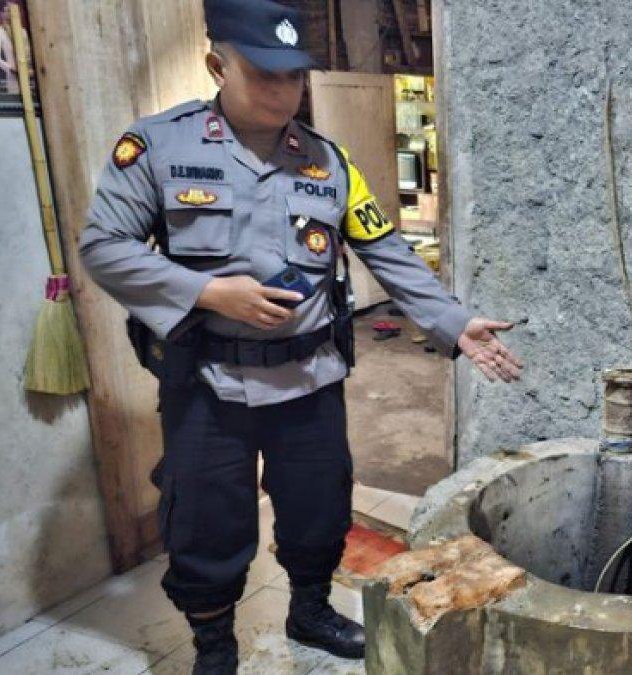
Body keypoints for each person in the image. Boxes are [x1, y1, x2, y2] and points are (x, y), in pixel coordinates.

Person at [79, 1, 523, 673]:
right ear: (218, 66)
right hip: (207, 381)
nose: (284, 91)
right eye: (264, 74)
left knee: (319, 510)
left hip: (309, 377)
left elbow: (386, 248)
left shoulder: (328, 161)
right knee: (207, 523)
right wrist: (207, 292)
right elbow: (104, 248)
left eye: (294, 75)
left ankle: (309, 611)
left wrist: (455, 323)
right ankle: (215, 644)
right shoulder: (158, 148)